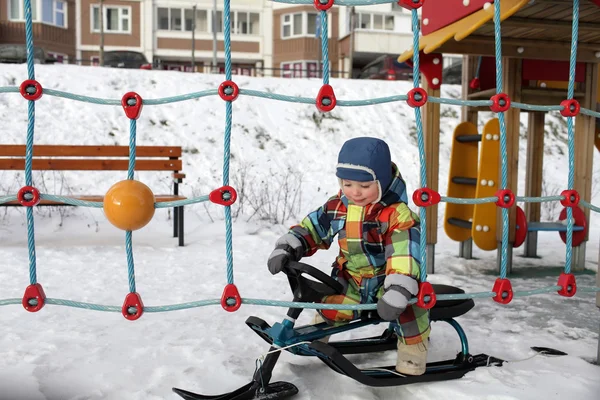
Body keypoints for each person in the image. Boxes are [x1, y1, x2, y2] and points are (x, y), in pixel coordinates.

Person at [267, 136, 430, 376]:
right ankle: (319, 335)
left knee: (410, 308)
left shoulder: (397, 214)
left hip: (388, 282)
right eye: (347, 183)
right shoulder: (337, 205)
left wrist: (399, 287)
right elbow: (314, 228)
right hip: (351, 279)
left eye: (364, 186)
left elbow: (404, 252)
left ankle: (413, 351)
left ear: (382, 181)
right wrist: (289, 246)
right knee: (329, 301)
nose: (355, 192)